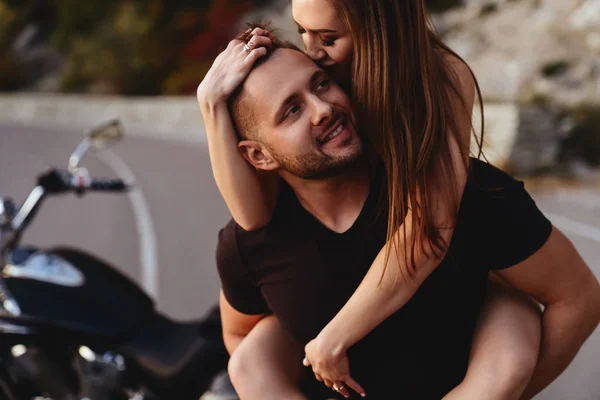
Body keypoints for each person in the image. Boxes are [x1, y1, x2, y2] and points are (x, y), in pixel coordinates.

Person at [199, 31, 600, 399]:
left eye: (321, 83)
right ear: (259, 155)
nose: (323, 108)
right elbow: (240, 336)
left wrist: (504, 389)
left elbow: (577, 298)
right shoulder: (251, 244)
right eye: (291, 111)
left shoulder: (461, 191)